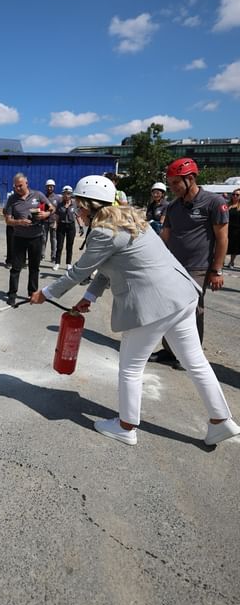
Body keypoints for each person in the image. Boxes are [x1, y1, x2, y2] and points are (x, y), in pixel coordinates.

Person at [30, 175, 240, 447]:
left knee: (130, 368)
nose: (78, 212)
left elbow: (79, 271)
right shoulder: (129, 220)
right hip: (181, 295)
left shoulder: (103, 232)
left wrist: (45, 294)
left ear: (91, 205)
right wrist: (90, 296)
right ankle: (221, 421)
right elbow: (108, 267)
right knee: (195, 362)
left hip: (154, 306)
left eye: (81, 207)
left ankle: (126, 426)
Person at [148, 158, 229, 367]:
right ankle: (170, 350)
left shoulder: (214, 202)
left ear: (190, 178)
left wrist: (217, 270)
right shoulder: (174, 207)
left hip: (199, 268)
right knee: (168, 308)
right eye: (170, 183)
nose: (172, 188)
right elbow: (165, 237)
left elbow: (222, 239)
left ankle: (189, 356)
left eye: (176, 183)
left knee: (192, 311)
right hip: (173, 267)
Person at [4, 172, 54, 306]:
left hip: (36, 238)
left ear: (26, 183)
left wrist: (46, 214)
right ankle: (12, 294)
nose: (17, 189)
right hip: (19, 238)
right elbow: (8, 220)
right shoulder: (12, 199)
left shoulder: (38, 195)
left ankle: (32, 293)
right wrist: (19, 222)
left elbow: (52, 208)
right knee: (16, 268)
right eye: (15, 186)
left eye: (20, 186)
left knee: (34, 267)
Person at [52, 185, 83, 271]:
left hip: (71, 226)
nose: (66, 195)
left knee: (69, 246)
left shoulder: (74, 204)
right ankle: (57, 263)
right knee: (59, 246)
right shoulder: (59, 205)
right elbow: (57, 216)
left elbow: (78, 216)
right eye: (65, 194)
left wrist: (81, 226)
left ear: (71, 194)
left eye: (68, 194)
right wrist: (55, 225)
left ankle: (68, 264)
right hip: (61, 226)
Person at [42, 179, 60, 263]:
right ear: (46, 187)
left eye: (51, 186)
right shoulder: (43, 197)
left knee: (53, 239)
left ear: (54, 187)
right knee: (43, 239)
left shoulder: (57, 198)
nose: (50, 188)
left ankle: (53, 256)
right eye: (48, 186)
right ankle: (42, 255)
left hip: (53, 221)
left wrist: (57, 222)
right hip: (44, 221)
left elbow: (59, 211)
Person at [225, 188, 240, 268]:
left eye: (237, 195)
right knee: (224, 245)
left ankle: (231, 262)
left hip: (237, 230)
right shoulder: (227, 205)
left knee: (234, 247)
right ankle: (221, 261)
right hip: (226, 228)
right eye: (233, 194)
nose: (235, 196)